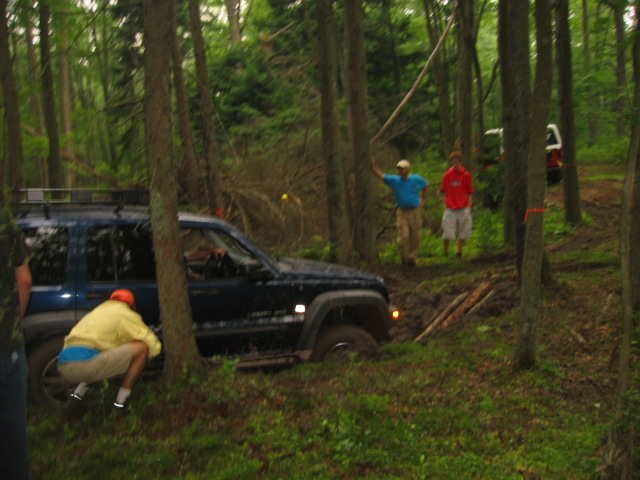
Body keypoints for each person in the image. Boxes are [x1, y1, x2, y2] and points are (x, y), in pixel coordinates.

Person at [58, 289, 162, 413]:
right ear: (131, 305)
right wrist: (153, 353)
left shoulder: (98, 311)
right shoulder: (124, 313)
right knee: (142, 348)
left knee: (100, 356)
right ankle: (121, 403)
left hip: (63, 364)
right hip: (85, 365)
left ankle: (76, 398)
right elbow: (151, 342)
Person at [0, 209, 33, 480]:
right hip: (6, 349)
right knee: (13, 443)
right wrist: (12, 324)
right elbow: (25, 280)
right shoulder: (4, 221)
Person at [371, 158, 428, 266]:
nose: (400, 171)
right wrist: (373, 168)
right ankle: (404, 259)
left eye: (402, 169)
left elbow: (425, 185)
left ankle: (412, 258)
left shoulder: (416, 179)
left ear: (407, 169)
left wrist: (423, 199)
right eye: (399, 169)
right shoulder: (396, 180)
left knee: (415, 236)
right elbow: (382, 176)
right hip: (402, 212)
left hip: (415, 211)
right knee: (404, 236)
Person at [440, 151, 474, 257]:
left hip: (463, 208)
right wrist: (445, 205)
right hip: (450, 209)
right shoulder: (447, 176)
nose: (455, 163)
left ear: (460, 161)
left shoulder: (466, 175)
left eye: (457, 160)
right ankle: (445, 252)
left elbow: (470, 192)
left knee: (464, 229)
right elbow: (444, 191)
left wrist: (469, 206)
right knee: (447, 228)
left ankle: (459, 252)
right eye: (453, 161)